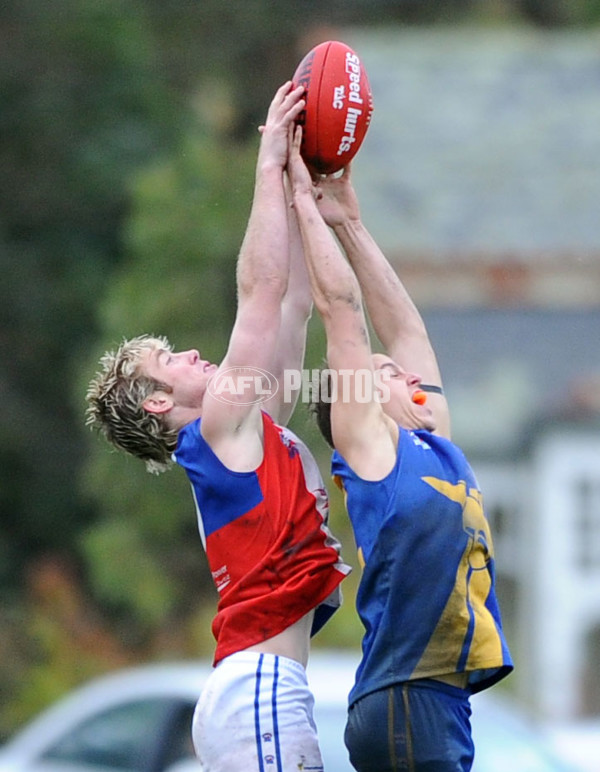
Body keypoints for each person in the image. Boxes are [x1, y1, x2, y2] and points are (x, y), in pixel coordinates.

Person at [85, 83, 350, 772]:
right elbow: (258, 294)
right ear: (154, 404)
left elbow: (291, 305)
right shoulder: (218, 431)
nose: (192, 354)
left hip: (258, 691)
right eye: (170, 359)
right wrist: (266, 164)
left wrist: (301, 191)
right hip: (257, 690)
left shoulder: (253, 431)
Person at [287, 125, 513, 772]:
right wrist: (304, 202)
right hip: (403, 696)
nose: (406, 375)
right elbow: (343, 311)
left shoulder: (429, 442)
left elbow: (405, 329)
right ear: (355, 401)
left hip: (438, 700)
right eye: (384, 373)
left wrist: (349, 223)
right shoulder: (369, 450)